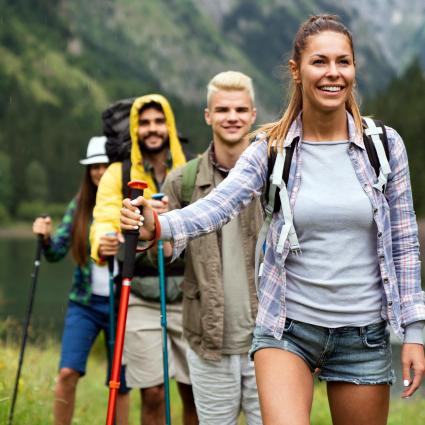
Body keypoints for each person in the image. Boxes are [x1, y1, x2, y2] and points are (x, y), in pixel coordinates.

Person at [121, 14, 425, 425]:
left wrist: (414, 332)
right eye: (319, 62)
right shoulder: (273, 147)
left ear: (354, 69)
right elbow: (220, 203)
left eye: (343, 62)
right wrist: (160, 226)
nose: (333, 73)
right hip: (287, 328)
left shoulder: (384, 147)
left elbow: (405, 243)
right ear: (296, 71)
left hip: (365, 333)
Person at [159, 71, 262, 423]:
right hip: (208, 340)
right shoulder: (181, 182)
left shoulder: (276, 176)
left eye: (239, 109)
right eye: (222, 110)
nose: (231, 117)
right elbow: (167, 251)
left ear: (253, 114)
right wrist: (151, 234)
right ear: (208, 116)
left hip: (271, 342)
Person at [90, 94, 198, 425]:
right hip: (139, 293)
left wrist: (171, 218)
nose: (153, 129)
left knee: (194, 393)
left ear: (170, 126)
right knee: (151, 393)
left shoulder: (191, 170)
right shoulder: (118, 174)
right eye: (145, 123)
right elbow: (104, 219)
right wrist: (103, 242)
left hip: (190, 296)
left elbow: (208, 219)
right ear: (136, 130)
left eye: (159, 121)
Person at [32, 136, 130, 425]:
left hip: (121, 304)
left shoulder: (127, 204)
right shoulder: (80, 206)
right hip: (84, 304)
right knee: (67, 373)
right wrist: (45, 237)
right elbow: (56, 250)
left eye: (105, 166)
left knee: (120, 383)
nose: (99, 172)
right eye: (94, 167)